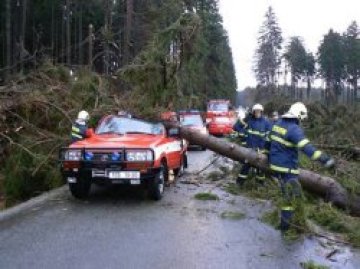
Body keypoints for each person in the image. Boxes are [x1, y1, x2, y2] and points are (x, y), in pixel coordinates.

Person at [268, 102, 335, 231]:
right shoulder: (294, 129)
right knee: (289, 197)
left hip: (275, 164)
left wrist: (266, 154)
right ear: (298, 115)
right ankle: (286, 227)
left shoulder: (278, 124)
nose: (301, 121)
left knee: (290, 194)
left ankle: (290, 221)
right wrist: (325, 160)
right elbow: (307, 148)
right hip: (287, 168)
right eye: (302, 118)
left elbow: (268, 140)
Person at [237, 103, 272, 185]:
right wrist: (245, 119)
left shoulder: (266, 122)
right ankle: (239, 183)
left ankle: (260, 184)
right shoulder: (249, 120)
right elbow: (237, 127)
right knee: (246, 165)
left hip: (261, 149)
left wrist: (267, 149)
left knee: (261, 168)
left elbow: (269, 136)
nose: (257, 113)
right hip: (250, 148)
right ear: (253, 112)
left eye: (259, 111)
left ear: (262, 112)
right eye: (256, 111)